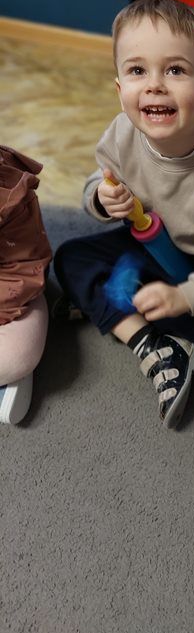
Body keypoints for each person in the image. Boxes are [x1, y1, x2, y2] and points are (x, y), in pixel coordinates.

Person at [54, 0, 194, 430]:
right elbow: (97, 181)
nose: (154, 85)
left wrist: (185, 297)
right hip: (142, 244)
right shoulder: (121, 132)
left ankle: (121, 305)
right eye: (137, 71)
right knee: (68, 259)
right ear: (120, 91)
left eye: (175, 70)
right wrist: (101, 198)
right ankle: (152, 343)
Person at [0, 146, 52, 424]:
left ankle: (12, 374)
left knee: (15, 354)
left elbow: (21, 271)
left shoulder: (7, 194)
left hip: (10, 284)